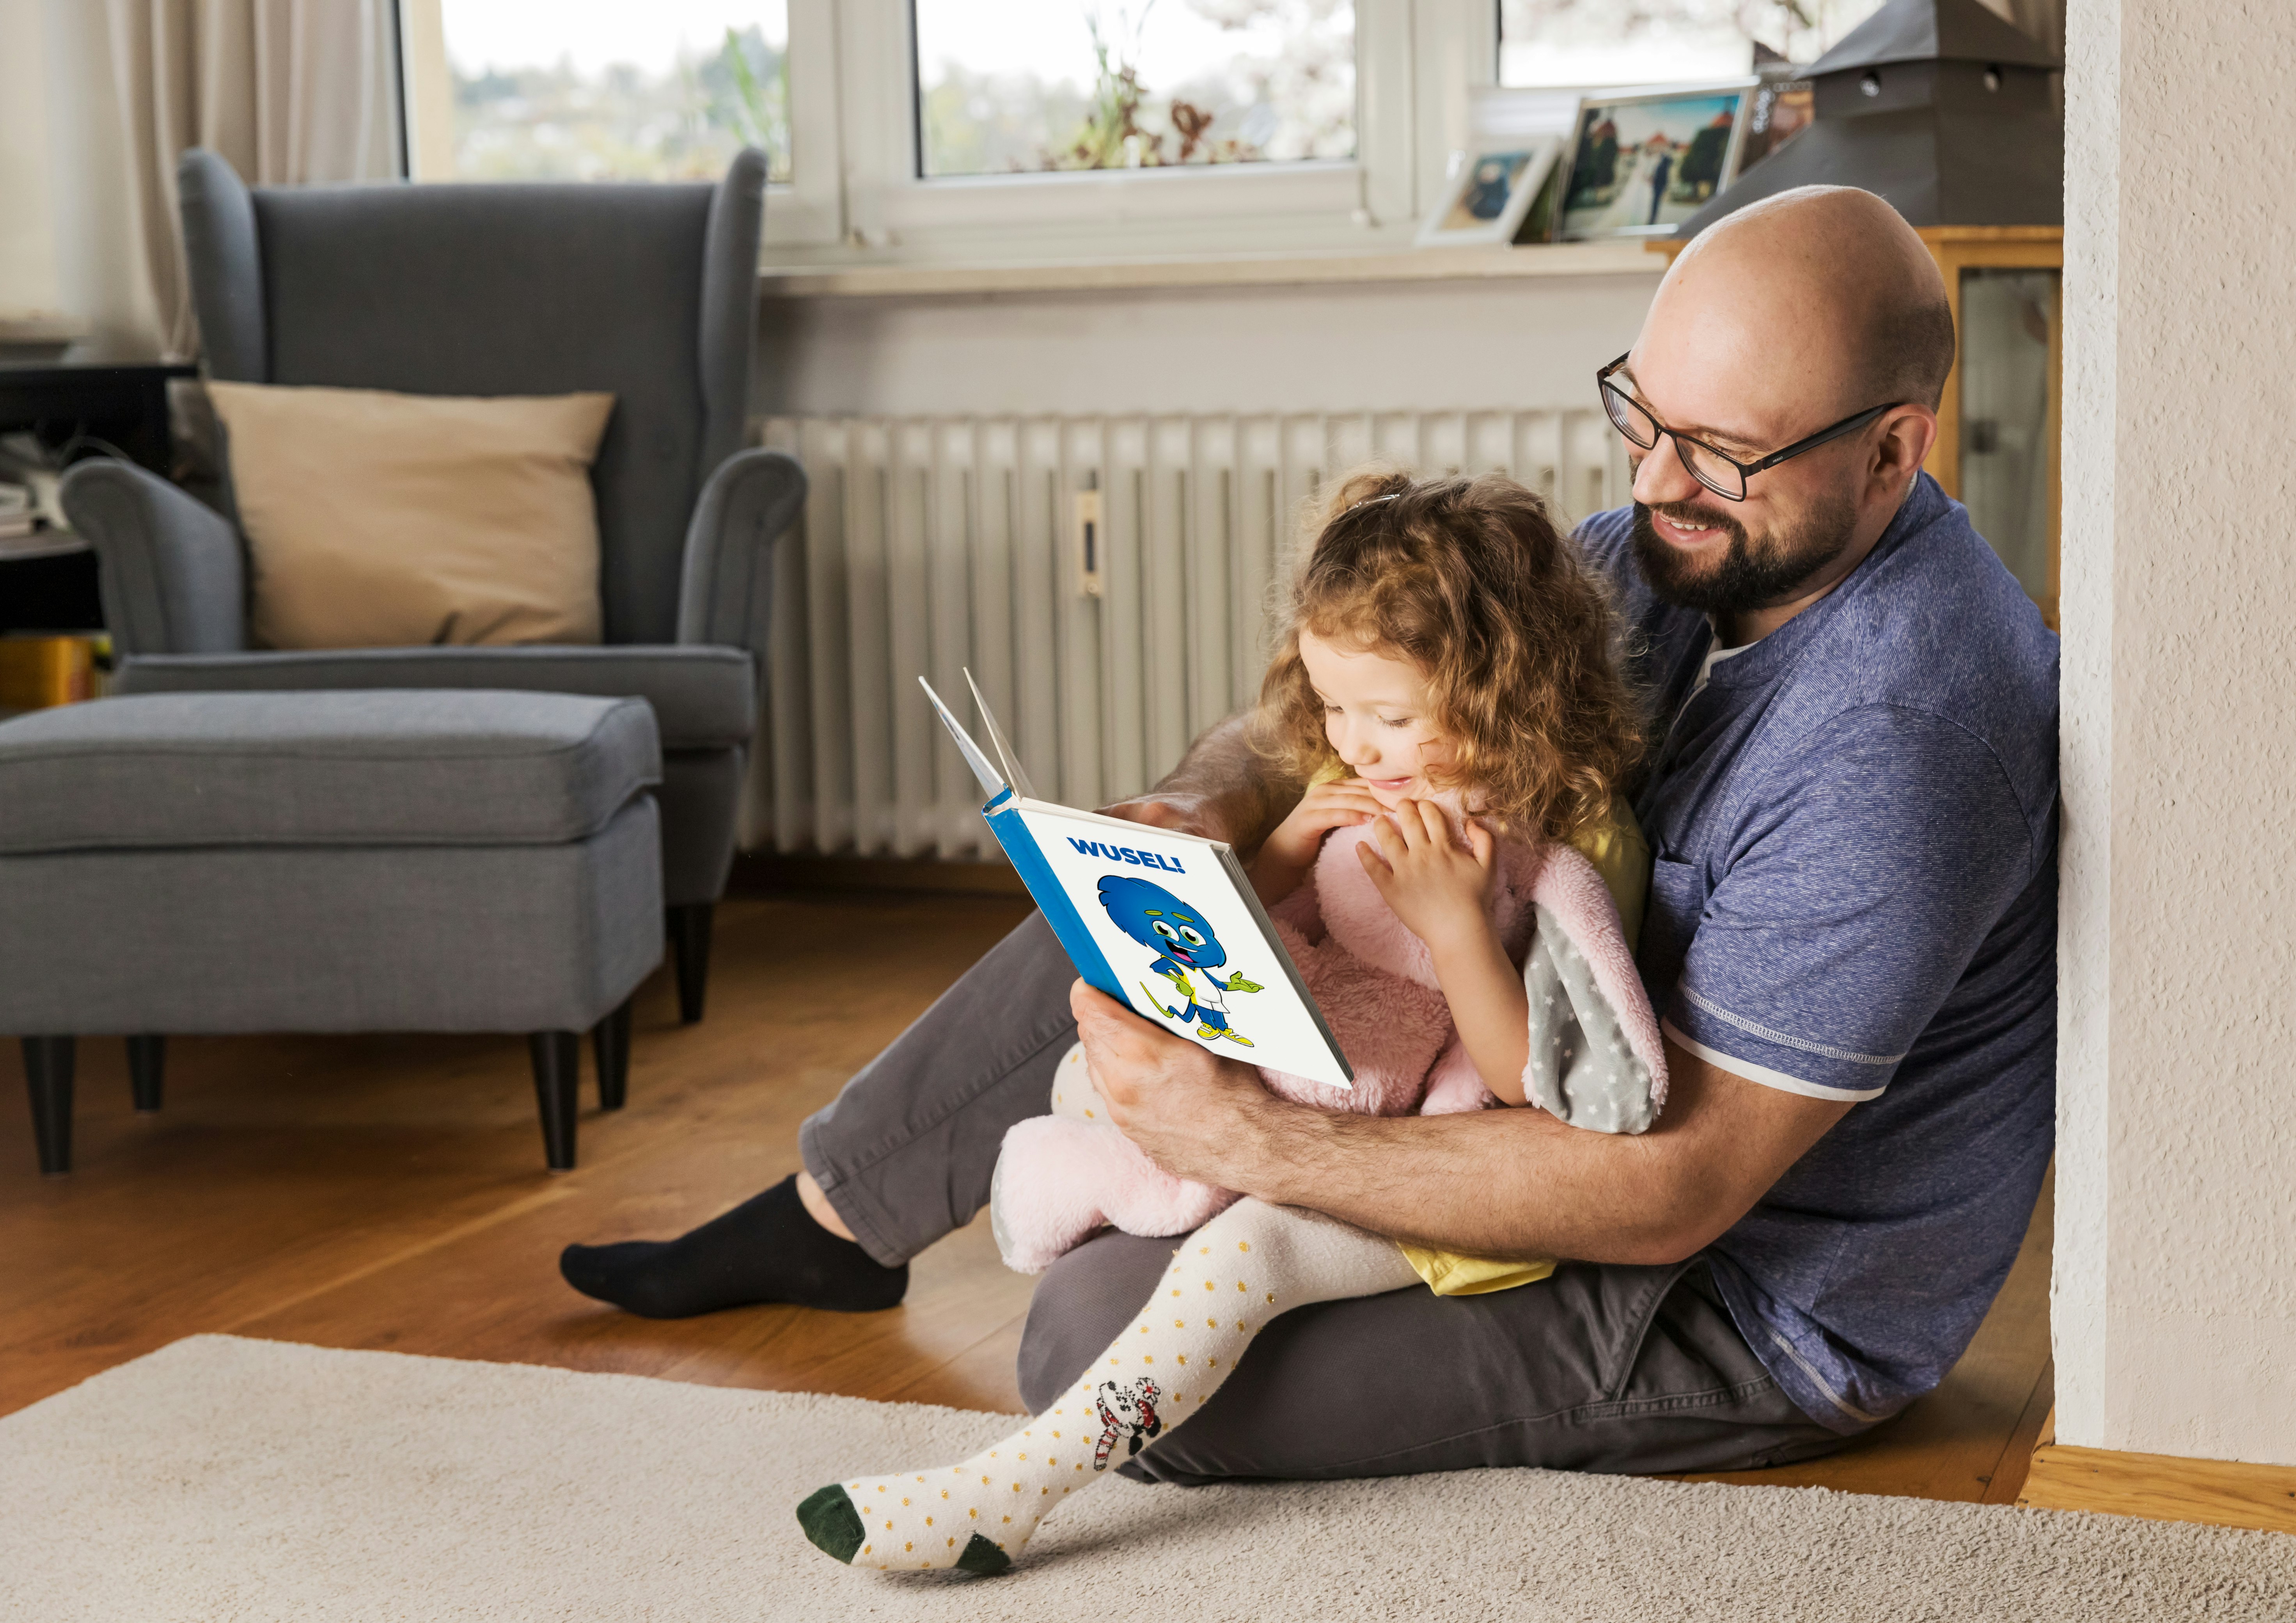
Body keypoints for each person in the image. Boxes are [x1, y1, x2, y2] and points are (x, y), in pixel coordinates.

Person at [560, 184, 2059, 1492]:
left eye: (1718, 452)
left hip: (1737, 1295)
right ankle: (842, 1209)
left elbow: (1671, 1187)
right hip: (1465, 1103)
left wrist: (1243, 1140)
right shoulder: (1662, 550)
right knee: (1144, 889)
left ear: (1893, 452)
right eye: (1639, 417)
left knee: (1095, 1347)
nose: (1653, 484)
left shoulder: (1910, 731)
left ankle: (1167, 1204)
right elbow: (1330, 715)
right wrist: (1207, 810)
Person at [793, 471, 1666, 1573]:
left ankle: (1006, 1493)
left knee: (1240, 1257)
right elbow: (1280, 927)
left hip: (1422, 1173)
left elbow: (1543, 1081)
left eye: (1389, 717)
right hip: (1306, 1087)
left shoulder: (1561, 847)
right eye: (1334, 707)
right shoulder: (1358, 784)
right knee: (1094, 1067)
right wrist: (1289, 847)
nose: (1354, 742)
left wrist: (1457, 932)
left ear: (1508, 688)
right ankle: (1025, 1191)